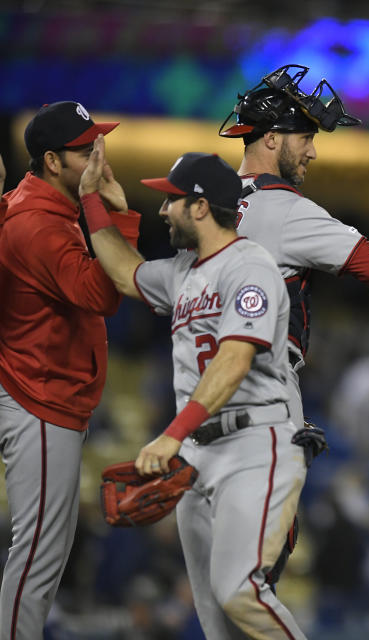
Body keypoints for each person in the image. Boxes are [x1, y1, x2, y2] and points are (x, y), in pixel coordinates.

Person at [79, 140, 308, 639]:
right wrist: (92, 202)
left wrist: (172, 434)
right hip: (198, 457)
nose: (163, 209)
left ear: (201, 206)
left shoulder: (251, 267)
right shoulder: (185, 272)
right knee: (213, 619)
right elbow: (123, 272)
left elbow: (234, 359)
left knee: (240, 592)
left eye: (171, 199)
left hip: (254, 444)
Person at [218, 64, 369, 429]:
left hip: (200, 376)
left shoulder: (205, 204)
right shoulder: (284, 208)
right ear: (272, 138)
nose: (313, 152)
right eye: (305, 137)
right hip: (259, 380)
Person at [0, 102, 140, 638]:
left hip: (46, 395)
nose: (98, 156)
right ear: (52, 161)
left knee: (44, 554)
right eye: (86, 150)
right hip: (38, 398)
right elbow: (104, 293)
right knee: (38, 554)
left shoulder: (48, 209)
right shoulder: (38, 223)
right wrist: (114, 213)